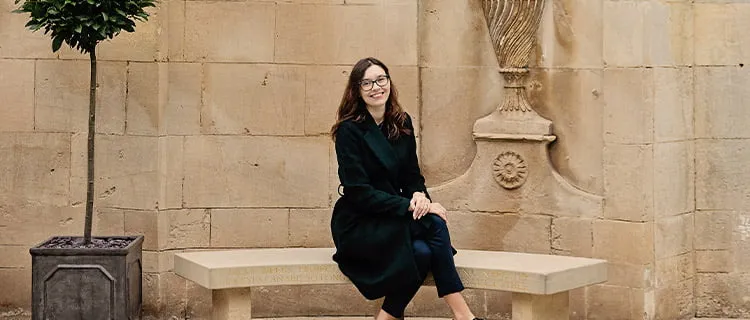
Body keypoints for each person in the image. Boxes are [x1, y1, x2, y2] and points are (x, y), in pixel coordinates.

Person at [330, 57, 481, 320]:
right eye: (367, 83)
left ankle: (386, 318)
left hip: (394, 215)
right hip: (360, 222)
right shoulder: (349, 130)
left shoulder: (401, 121)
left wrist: (420, 196)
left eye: (381, 79)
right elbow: (358, 192)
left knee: (422, 252)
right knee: (434, 223)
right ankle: (464, 315)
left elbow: (412, 176)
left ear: (389, 82)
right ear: (356, 89)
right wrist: (411, 205)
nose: (376, 87)